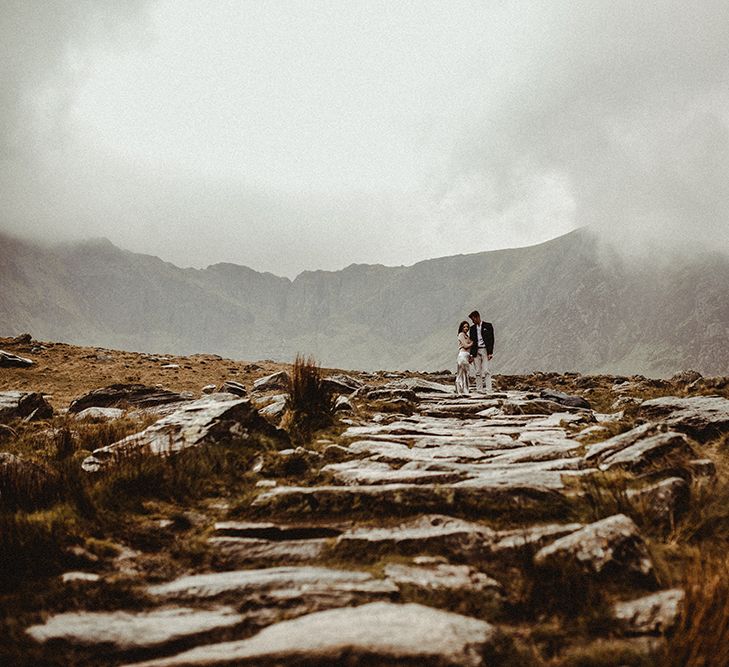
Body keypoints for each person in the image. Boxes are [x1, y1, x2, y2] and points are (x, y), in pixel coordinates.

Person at [468, 310, 494, 393]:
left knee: (486, 370)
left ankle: (489, 389)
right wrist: (471, 355)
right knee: (478, 371)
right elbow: (471, 342)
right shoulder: (472, 329)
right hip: (476, 351)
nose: (472, 321)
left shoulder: (488, 326)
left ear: (477, 317)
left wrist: (490, 352)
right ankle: (479, 390)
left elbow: (491, 340)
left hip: (485, 350)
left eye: (473, 319)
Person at [455, 320, 472, 395]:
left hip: (467, 355)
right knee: (461, 373)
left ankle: (464, 391)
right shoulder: (461, 335)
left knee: (465, 374)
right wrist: (473, 343)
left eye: (467, 327)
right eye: (464, 326)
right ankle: (460, 391)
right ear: (461, 327)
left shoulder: (467, 336)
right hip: (462, 355)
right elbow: (465, 345)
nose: (466, 328)